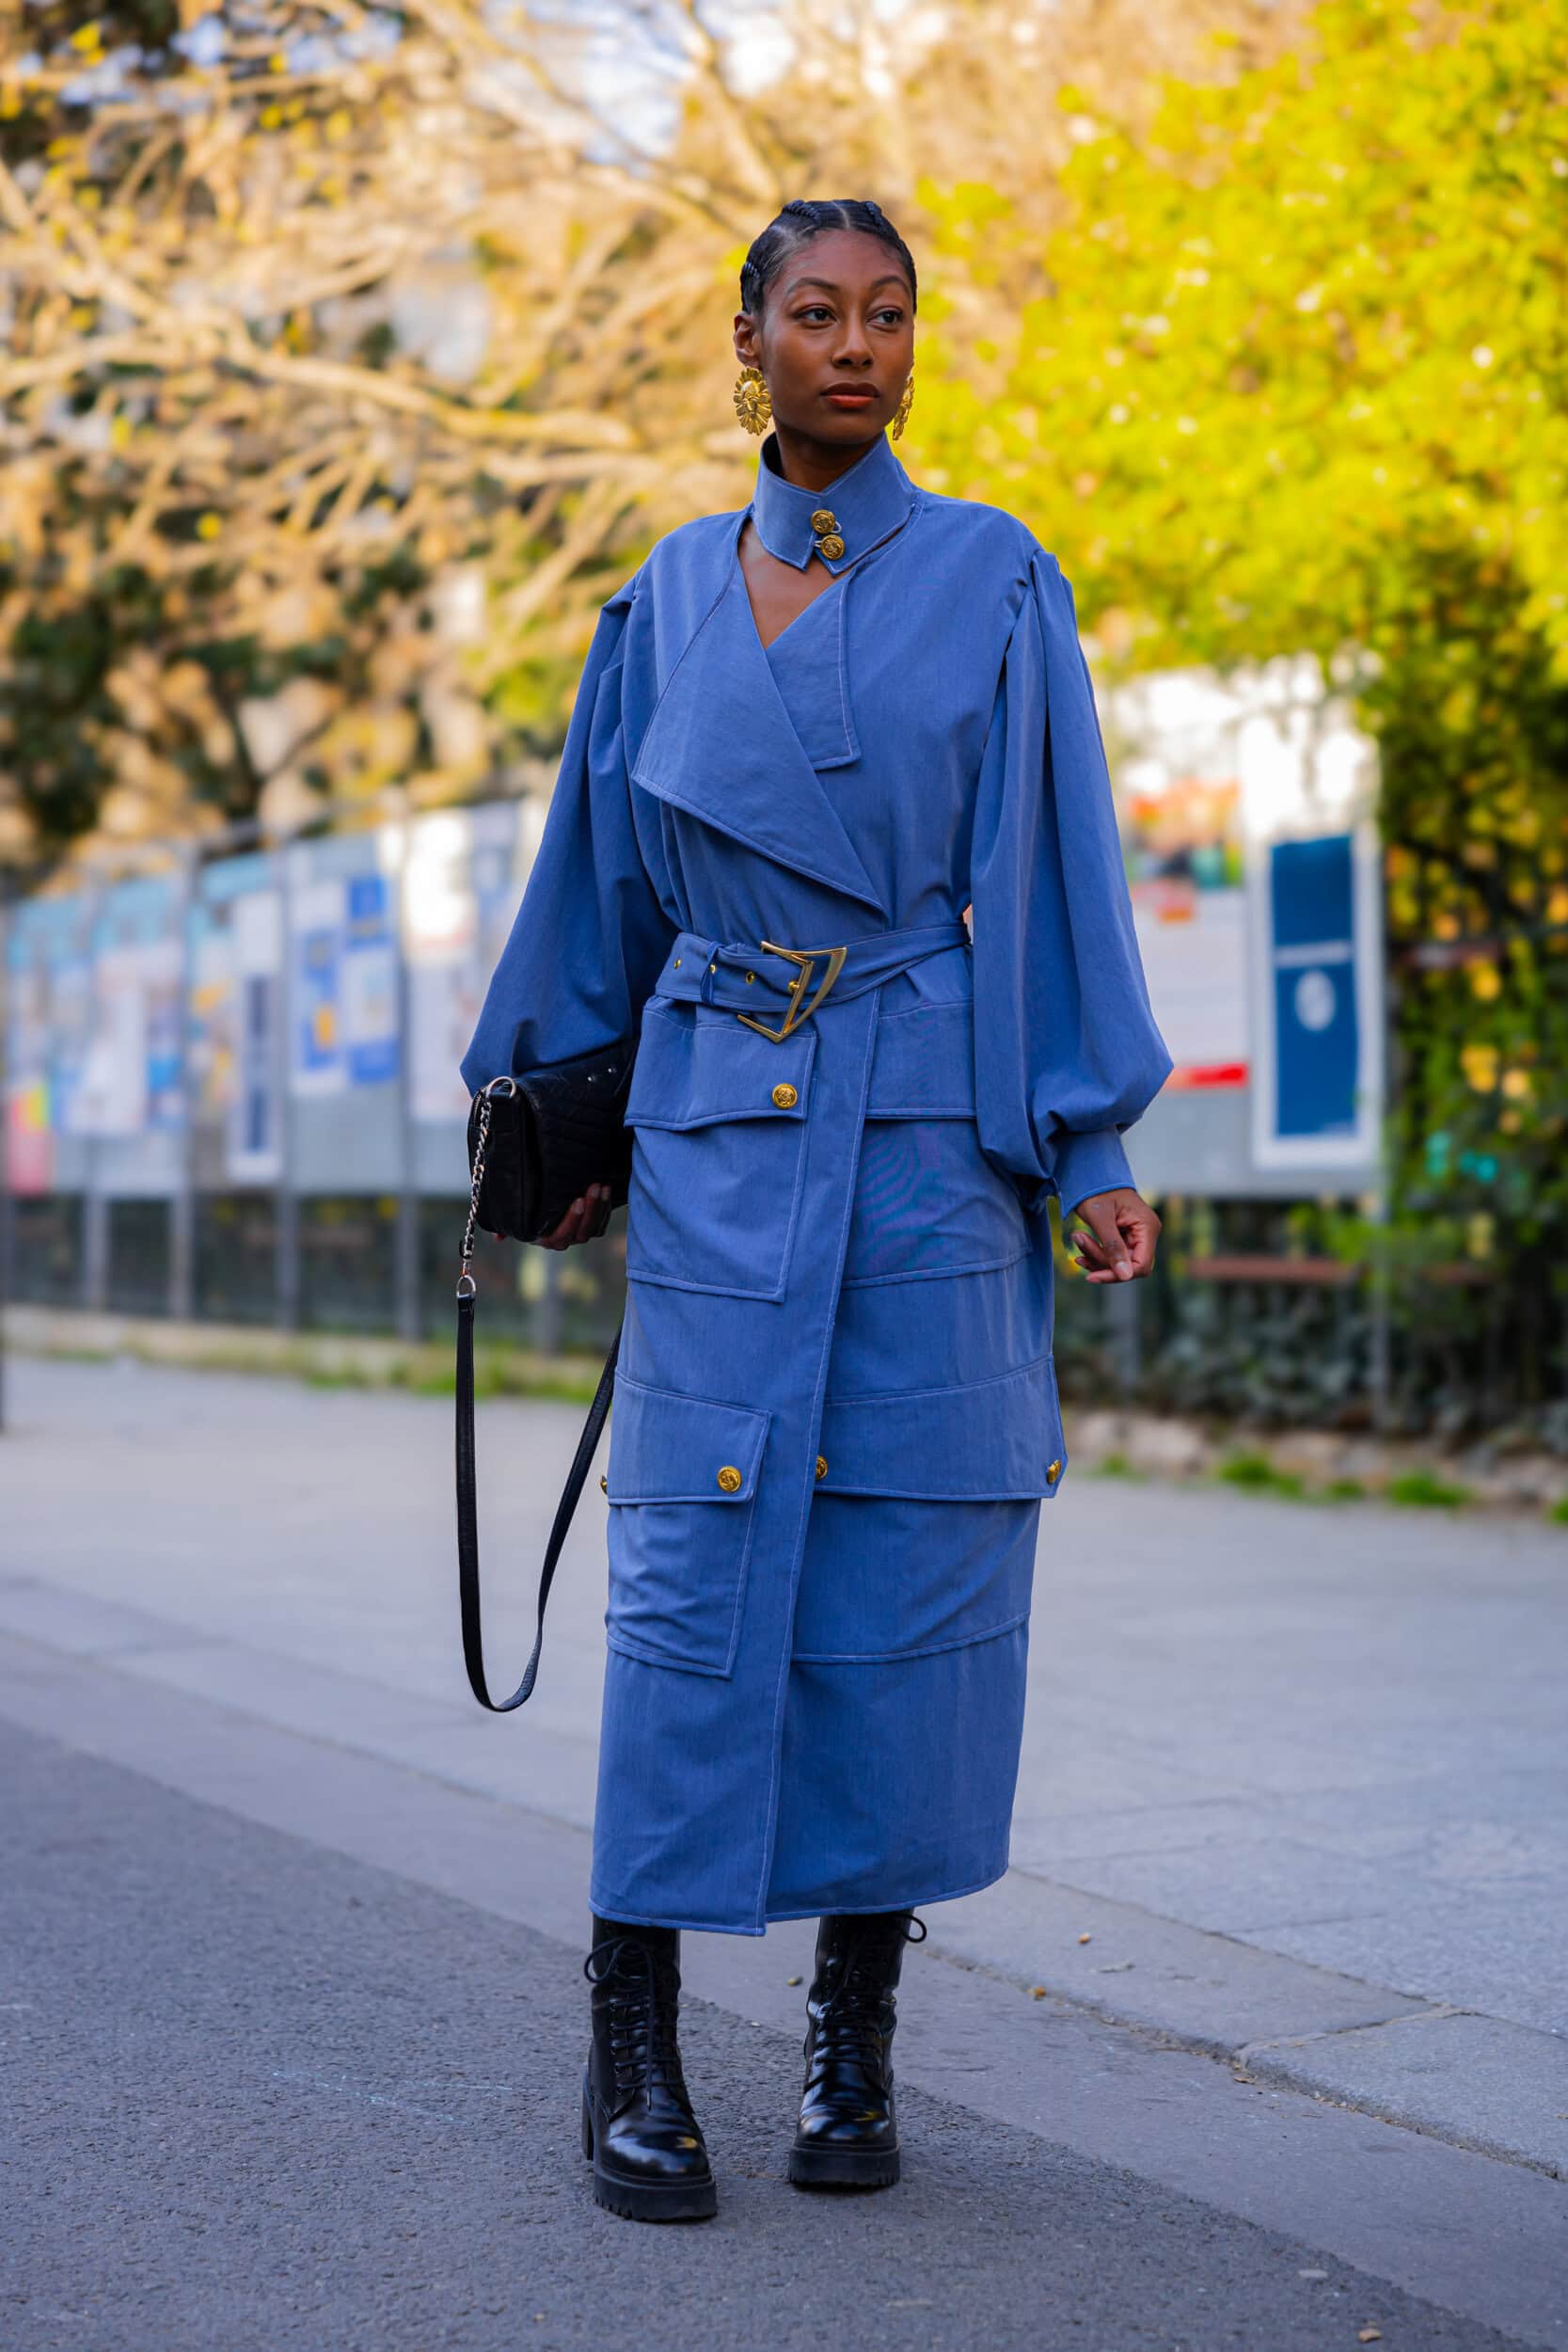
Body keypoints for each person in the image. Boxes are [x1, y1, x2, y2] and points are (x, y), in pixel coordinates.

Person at [461, 197, 1172, 2224]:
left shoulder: (999, 580)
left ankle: (857, 2032)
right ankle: (635, 2029)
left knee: (905, 1581)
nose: (855, 347)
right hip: (710, 1132)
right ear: (746, 339)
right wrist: (544, 1117)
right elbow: (596, 880)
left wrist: (1092, 1143)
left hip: (932, 1136)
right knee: (688, 1575)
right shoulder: (665, 601)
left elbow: (1050, 873)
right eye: (816, 316)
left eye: (888, 317)